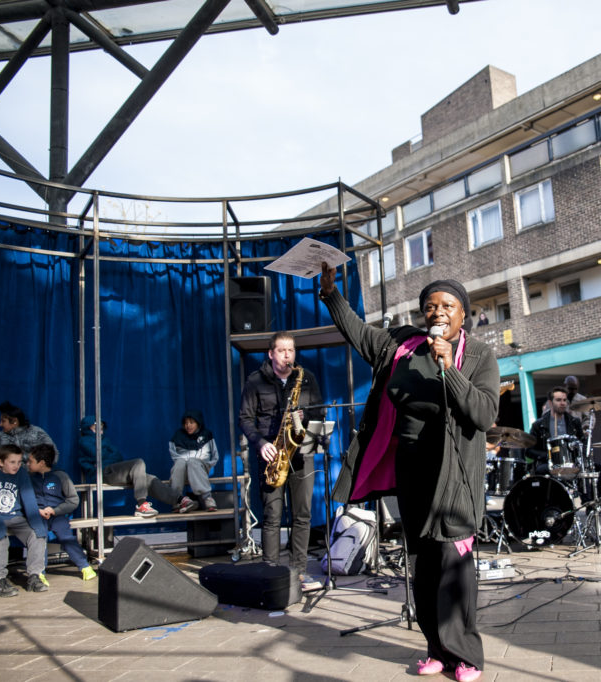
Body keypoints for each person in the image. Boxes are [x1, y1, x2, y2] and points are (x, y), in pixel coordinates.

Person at [319, 262, 498, 682]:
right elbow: (360, 334)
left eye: (447, 305)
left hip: (454, 471)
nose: (438, 312)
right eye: (430, 306)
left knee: (453, 563)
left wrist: (449, 368)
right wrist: (331, 295)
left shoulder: (478, 355)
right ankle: (436, 649)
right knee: (421, 563)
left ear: (462, 313)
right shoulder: (403, 345)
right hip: (412, 466)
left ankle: (465, 655)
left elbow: (483, 413)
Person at [239, 331, 325, 592]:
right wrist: (260, 442)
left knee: (302, 515)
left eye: (291, 350)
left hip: (301, 454)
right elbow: (244, 418)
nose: (288, 355)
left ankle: (299, 572)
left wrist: (305, 416)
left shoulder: (306, 378)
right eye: (282, 350)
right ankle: (271, 572)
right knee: (272, 515)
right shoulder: (255, 381)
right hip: (271, 454)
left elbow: (319, 412)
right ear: (271, 354)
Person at [0, 444, 48, 597]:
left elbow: (29, 500)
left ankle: (34, 576)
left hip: (15, 517)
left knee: (37, 535)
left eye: (19, 462)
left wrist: (38, 526)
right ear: (1, 462)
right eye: (12, 462)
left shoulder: (22, 474)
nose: (16, 466)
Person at [77, 416, 181, 517]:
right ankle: (141, 504)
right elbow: (98, 456)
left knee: (148, 478)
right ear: (88, 428)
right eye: (97, 427)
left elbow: (118, 456)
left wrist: (105, 456)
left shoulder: (105, 440)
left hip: (113, 470)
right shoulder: (84, 441)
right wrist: (106, 456)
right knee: (138, 462)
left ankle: (179, 500)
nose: (101, 430)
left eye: (102, 427)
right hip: (102, 473)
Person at [27, 443, 96, 581]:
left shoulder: (61, 476)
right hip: (37, 515)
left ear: (41, 463)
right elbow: (25, 499)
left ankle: (84, 566)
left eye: (30, 461)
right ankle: (39, 573)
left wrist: (54, 510)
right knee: (40, 538)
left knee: (66, 537)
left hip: (57, 516)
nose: (27, 464)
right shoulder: (27, 478)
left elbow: (73, 500)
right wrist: (37, 510)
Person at [527, 386, 585, 476]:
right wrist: (548, 456)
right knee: (541, 470)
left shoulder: (574, 422)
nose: (562, 403)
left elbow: (583, 443)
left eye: (564, 400)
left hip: (572, 462)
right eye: (558, 400)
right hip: (548, 464)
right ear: (550, 403)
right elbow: (529, 450)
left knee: (597, 468)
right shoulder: (538, 425)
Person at [168, 410, 220, 512]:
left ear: (198, 423)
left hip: (200, 468)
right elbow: (174, 454)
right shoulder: (178, 435)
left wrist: (207, 465)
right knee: (180, 462)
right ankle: (177, 500)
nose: (188, 425)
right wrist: (186, 461)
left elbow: (213, 455)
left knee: (193, 462)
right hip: (183, 468)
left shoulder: (206, 434)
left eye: (191, 422)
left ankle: (207, 498)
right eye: (186, 423)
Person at [0, 401, 58, 465]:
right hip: (8, 478)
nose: (0, 424)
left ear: (14, 421)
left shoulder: (37, 433)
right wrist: (10, 464)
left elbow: (53, 455)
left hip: (36, 476)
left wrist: (33, 466)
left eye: (3, 421)